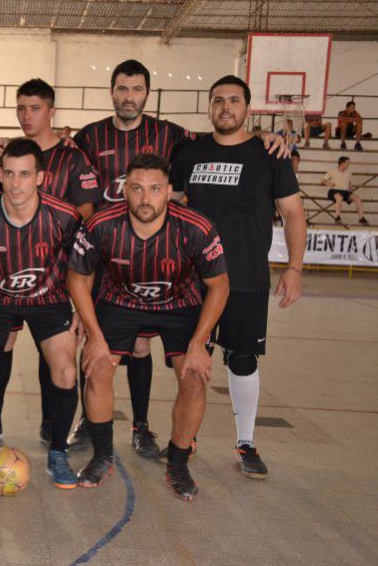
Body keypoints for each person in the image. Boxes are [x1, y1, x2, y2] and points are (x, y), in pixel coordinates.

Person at [67, 152, 229, 500]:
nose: (145, 198)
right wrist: (95, 336)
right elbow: (78, 278)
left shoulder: (196, 228)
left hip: (180, 303)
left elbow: (219, 286)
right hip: (119, 300)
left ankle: (179, 462)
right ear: (125, 190)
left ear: (169, 191)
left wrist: (199, 344)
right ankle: (102, 455)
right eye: (137, 188)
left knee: (194, 377)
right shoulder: (101, 225)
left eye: (154, 189)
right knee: (96, 367)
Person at [171, 75, 306, 479]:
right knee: (192, 363)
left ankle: (246, 441)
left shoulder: (271, 155)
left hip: (246, 276)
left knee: (243, 360)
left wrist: (295, 267)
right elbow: (172, 209)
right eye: (217, 100)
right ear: (209, 107)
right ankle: (185, 436)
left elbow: (294, 213)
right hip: (194, 280)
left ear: (247, 108)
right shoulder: (188, 153)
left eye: (233, 100)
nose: (225, 106)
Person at [66, 59, 198, 458]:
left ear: (147, 94)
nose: (129, 97)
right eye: (122, 89)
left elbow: (212, 148)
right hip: (103, 249)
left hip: (146, 251)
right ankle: (90, 421)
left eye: (137, 89)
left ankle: (141, 426)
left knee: (140, 345)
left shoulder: (171, 134)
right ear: (112, 92)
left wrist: (265, 141)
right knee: (91, 340)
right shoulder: (89, 136)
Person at [0, 138, 81, 490]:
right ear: (0, 175)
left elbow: (81, 267)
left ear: (40, 177)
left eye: (25, 174)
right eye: (9, 174)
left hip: (49, 299)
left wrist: (81, 309)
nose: (16, 183)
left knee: (65, 370)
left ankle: (58, 453)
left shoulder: (65, 216)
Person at [0, 78, 100, 445]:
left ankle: (52, 423)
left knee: (55, 349)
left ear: (52, 112)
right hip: (7, 270)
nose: (26, 116)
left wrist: (46, 229)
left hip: (55, 274)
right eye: (20, 108)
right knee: (3, 341)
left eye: (34, 108)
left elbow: (85, 213)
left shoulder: (72, 156)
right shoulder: (8, 155)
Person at [323, 156, 369, 225]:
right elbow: (322, 180)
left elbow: (348, 182)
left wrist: (350, 186)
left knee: (357, 199)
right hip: (334, 190)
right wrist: (329, 183)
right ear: (342, 163)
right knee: (339, 198)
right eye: (347, 163)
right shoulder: (332, 171)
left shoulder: (349, 172)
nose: (349, 164)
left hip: (345, 191)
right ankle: (337, 217)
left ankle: (361, 218)